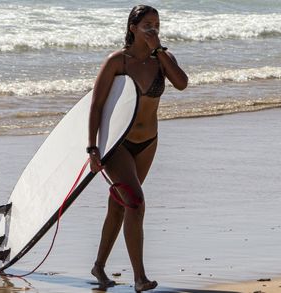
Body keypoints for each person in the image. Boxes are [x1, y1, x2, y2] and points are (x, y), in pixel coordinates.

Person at [86, 5, 188, 292]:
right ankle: (140, 278)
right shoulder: (117, 61)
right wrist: (92, 148)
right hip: (117, 143)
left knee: (121, 205)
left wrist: (159, 51)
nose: (153, 28)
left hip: (148, 143)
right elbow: (95, 105)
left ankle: (99, 266)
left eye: (156, 24)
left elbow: (181, 84)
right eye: (147, 24)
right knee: (136, 202)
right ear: (133, 27)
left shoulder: (163, 59)